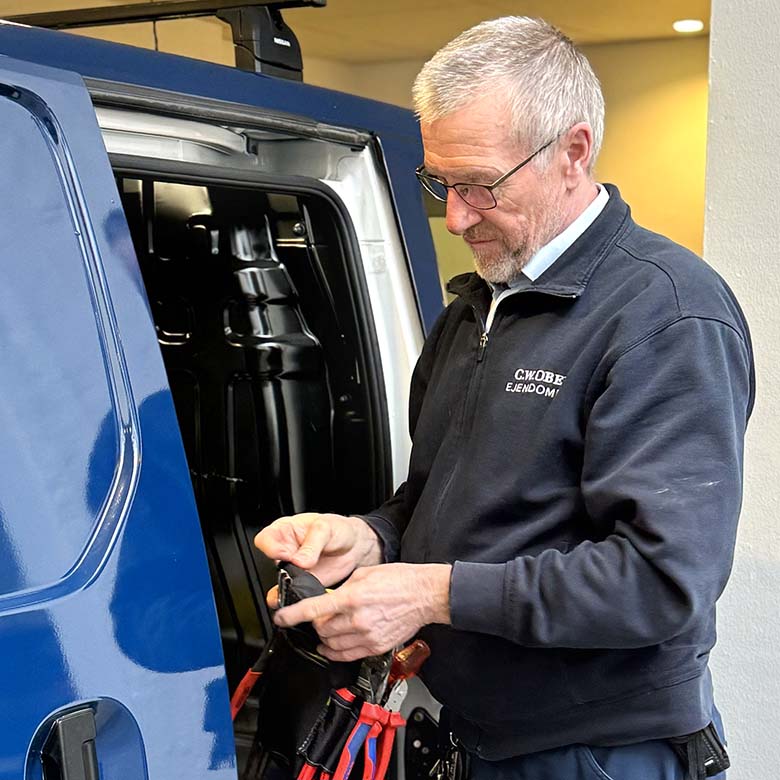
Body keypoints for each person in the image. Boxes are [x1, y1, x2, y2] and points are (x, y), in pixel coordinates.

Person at [255, 16, 754, 780]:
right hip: (477, 739)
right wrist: (372, 540)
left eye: (479, 185)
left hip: (602, 754)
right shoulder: (477, 307)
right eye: (440, 184)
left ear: (573, 153)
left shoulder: (667, 314)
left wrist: (433, 593)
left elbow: (660, 583)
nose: (454, 217)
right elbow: (438, 502)